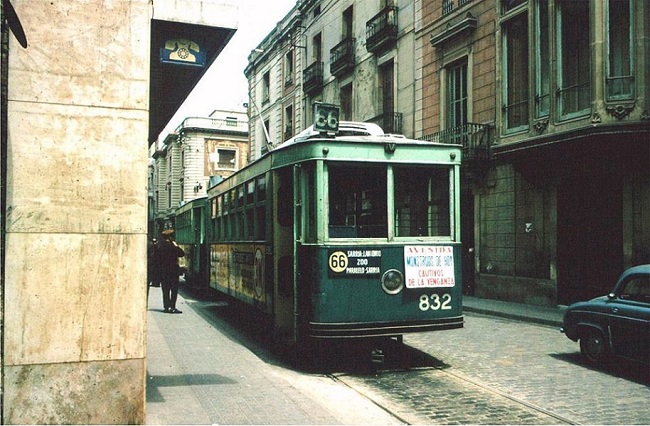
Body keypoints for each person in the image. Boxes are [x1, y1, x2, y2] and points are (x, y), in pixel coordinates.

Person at [156, 229, 185, 313]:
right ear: (170, 237)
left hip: (163, 272)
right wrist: (176, 246)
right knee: (174, 290)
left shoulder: (160, 246)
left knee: (165, 290)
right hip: (173, 272)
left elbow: (157, 260)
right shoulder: (173, 247)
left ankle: (166, 307)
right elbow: (182, 253)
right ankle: (172, 307)